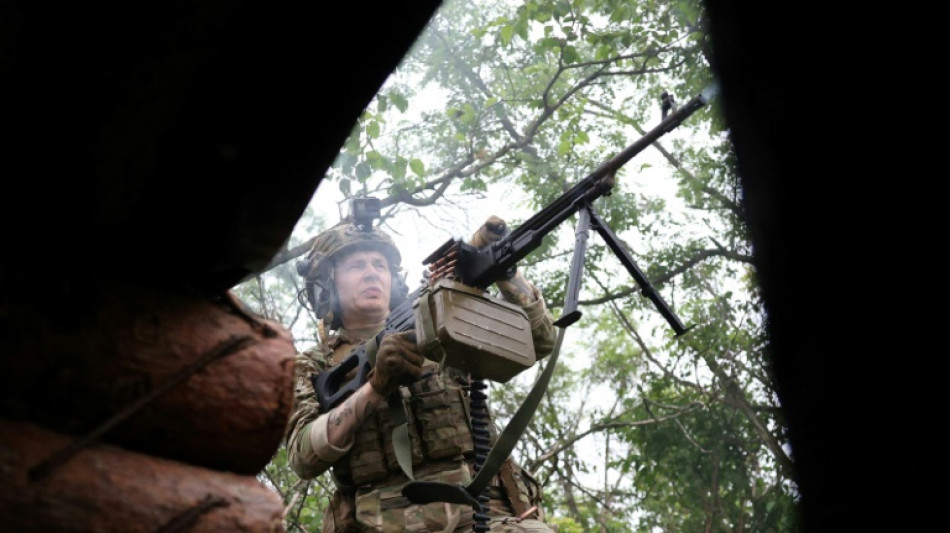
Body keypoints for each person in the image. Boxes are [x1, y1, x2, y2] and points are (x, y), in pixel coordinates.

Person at [285, 213, 559, 532]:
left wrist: (500, 270)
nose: (372, 273)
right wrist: (376, 387)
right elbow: (303, 457)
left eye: (380, 265)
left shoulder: (440, 319)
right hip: (385, 523)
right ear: (327, 283)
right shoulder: (314, 364)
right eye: (357, 266)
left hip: (484, 514)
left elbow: (540, 341)